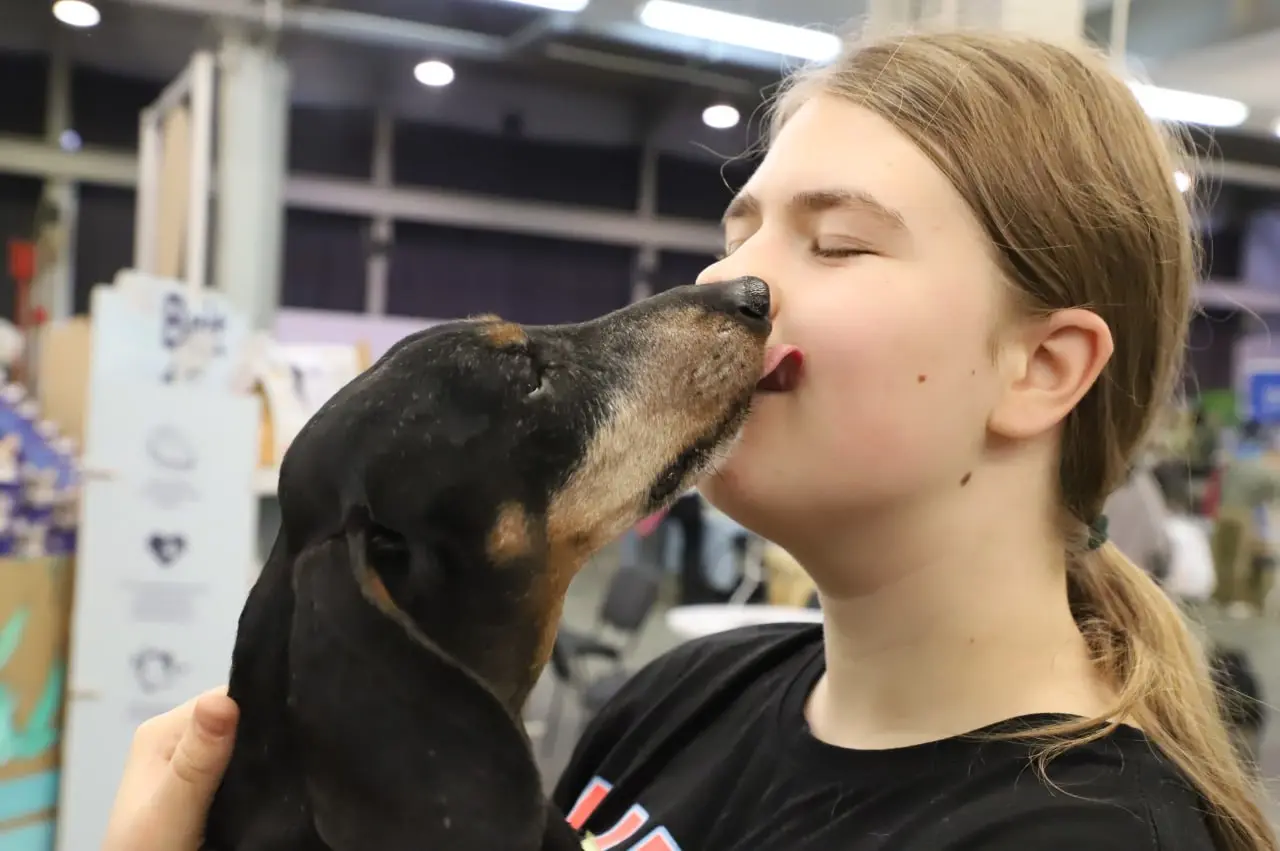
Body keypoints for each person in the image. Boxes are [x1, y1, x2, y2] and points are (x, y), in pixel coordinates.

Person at [106, 27, 1274, 851]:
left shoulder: (1082, 832)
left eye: (836, 244)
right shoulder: (686, 694)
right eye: (739, 229)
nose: (732, 280)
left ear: (1040, 368)